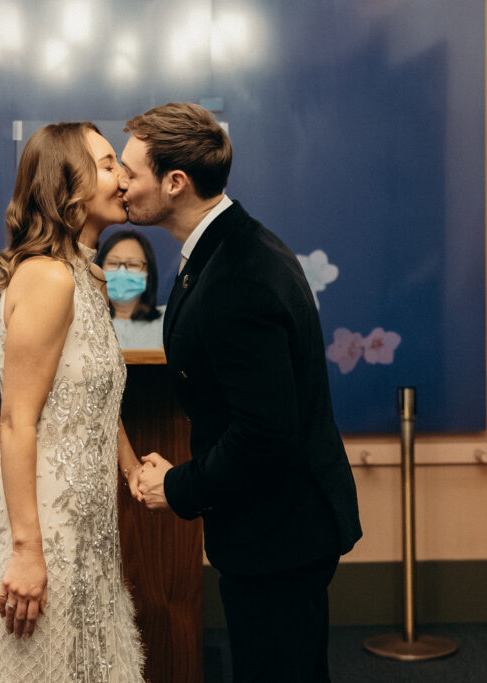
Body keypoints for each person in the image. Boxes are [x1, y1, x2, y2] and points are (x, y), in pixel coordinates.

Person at [122, 103, 362, 683]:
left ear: (174, 183)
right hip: (269, 524)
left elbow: (265, 434)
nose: (121, 185)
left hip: (281, 532)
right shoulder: (221, 250)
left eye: (130, 173)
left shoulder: (240, 275)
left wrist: (175, 486)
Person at [0, 122, 145, 682]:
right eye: (109, 163)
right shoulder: (48, 279)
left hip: (88, 523)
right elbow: (17, 420)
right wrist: (26, 550)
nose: (123, 177)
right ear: (69, 182)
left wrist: (133, 469)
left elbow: (91, 394)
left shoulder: (87, 276)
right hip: (38, 523)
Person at [95, 230, 165, 349]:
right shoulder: (85, 321)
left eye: (133, 265)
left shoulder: (167, 321)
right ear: (99, 268)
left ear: (149, 273)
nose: (122, 272)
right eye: (113, 263)